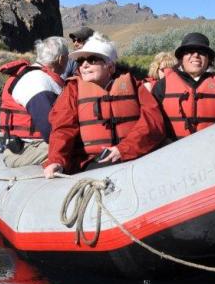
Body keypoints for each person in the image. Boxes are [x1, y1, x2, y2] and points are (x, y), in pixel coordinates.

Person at [43, 33, 165, 177]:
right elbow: (63, 128)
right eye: (81, 61)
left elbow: (153, 122)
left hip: (132, 156)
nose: (84, 65)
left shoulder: (133, 85)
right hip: (89, 162)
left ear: (111, 67)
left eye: (92, 59)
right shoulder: (72, 90)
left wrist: (123, 149)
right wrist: (56, 160)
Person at [0, 36, 69, 167]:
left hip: (27, 146)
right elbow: (50, 131)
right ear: (60, 59)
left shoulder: (34, 76)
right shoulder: (37, 80)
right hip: (27, 150)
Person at [151, 32, 215, 139]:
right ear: (181, 58)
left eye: (202, 52)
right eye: (190, 51)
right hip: (173, 152)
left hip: (212, 151)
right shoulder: (161, 86)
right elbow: (152, 124)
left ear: (208, 59)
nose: (196, 55)